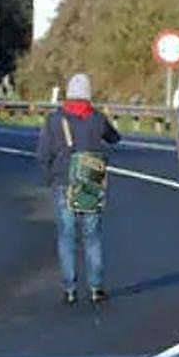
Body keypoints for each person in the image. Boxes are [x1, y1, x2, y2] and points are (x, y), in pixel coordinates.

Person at [36, 73, 120, 305]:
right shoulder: (96, 119)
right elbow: (115, 138)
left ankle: (70, 289)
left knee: (67, 236)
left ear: (68, 94)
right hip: (92, 181)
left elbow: (43, 154)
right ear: (88, 94)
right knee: (92, 237)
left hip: (64, 182)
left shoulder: (54, 120)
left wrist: (48, 179)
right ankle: (96, 288)